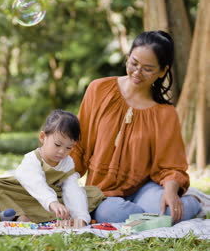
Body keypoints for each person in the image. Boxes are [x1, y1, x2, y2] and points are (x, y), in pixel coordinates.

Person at [71, 30, 203, 224]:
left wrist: (171, 191)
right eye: (134, 63)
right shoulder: (98, 90)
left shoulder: (165, 113)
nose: (137, 73)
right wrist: (58, 177)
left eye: (148, 69)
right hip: (103, 194)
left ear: (162, 71)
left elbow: (171, 166)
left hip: (145, 189)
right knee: (110, 215)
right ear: (128, 57)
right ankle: (158, 220)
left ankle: (193, 203)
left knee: (165, 210)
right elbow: (78, 145)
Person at [0, 110, 104, 225]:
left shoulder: (67, 163)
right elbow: (36, 183)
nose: (62, 151)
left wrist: (81, 217)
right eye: (57, 144)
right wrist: (52, 202)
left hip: (51, 202)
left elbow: (72, 190)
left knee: (92, 193)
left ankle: (63, 215)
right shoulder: (32, 158)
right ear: (43, 137)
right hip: (24, 194)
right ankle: (19, 216)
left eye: (69, 148)